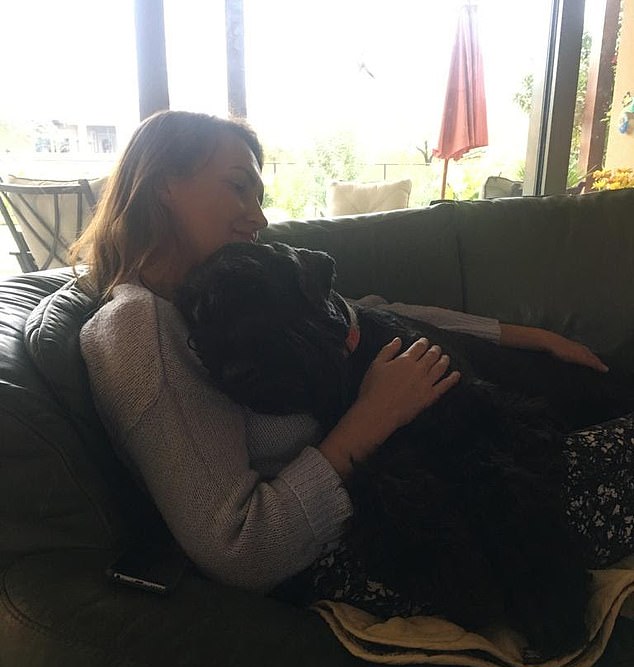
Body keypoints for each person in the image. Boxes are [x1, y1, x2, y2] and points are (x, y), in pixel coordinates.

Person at [76, 110, 634, 617]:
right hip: (380, 548)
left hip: (426, 489)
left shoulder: (215, 299)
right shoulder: (140, 328)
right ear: (164, 185)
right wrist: (374, 416)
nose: (259, 217)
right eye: (239, 188)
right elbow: (242, 550)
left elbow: (366, 312)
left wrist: (526, 336)